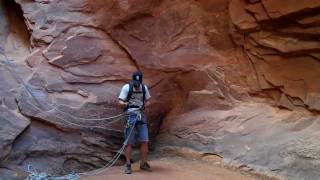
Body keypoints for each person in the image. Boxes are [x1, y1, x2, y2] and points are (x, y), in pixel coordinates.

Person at [118, 71, 152, 174]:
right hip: (130, 116)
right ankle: (128, 165)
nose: (137, 85)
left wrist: (144, 105)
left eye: (138, 83)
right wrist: (125, 104)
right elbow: (119, 102)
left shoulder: (144, 88)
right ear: (133, 80)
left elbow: (148, 100)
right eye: (135, 83)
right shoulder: (126, 88)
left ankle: (144, 163)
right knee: (129, 142)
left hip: (141, 115)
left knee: (145, 140)